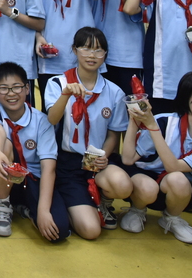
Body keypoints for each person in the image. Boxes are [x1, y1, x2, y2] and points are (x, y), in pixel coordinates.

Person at [120, 71, 192, 244]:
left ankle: (172, 218)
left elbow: (173, 168)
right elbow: (128, 160)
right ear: (186, 100)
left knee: (178, 179)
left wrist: (152, 127)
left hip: (176, 184)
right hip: (144, 177)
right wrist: (134, 120)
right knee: (147, 187)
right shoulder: (166, 121)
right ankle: (137, 210)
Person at [43, 27, 131, 237]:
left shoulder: (114, 92)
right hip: (68, 163)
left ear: (105, 55)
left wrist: (104, 156)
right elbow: (52, 119)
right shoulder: (58, 83)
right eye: (86, 48)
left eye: (99, 50)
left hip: (96, 161)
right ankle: (69, 201)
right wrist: (66, 94)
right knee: (91, 231)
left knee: (123, 185)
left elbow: (113, 133)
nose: (92, 55)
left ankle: (103, 203)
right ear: (74, 50)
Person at [0, 61, 69, 242]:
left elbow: (48, 168)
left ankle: (25, 209)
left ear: (27, 89)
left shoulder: (42, 121)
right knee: (2, 145)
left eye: (17, 87)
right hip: (6, 176)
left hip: (34, 179)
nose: (11, 93)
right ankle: (2, 206)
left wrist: (43, 211)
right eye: (3, 88)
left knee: (59, 231)